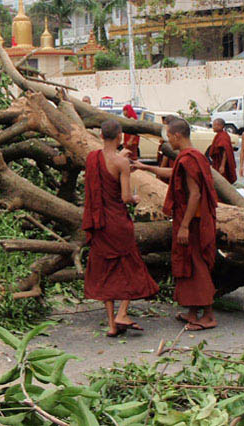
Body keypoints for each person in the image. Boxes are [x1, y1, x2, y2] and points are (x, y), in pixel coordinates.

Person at [135, 118, 218, 331]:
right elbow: (174, 175)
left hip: (194, 222)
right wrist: (145, 167)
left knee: (197, 266)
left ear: (177, 136)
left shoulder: (190, 159)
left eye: (169, 136)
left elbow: (195, 194)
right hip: (191, 219)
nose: (168, 141)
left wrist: (184, 226)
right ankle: (192, 312)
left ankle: (208, 316)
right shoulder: (192, 156)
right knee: (187, 264)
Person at [82, 119, 158, 337]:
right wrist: (135, 198)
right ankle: (122, 313)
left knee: (106, 271)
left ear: (102, 136)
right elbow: (125, 197)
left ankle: (112, 325)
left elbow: (102, 174)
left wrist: (120, 158)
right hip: (117, 222)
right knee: (129, 267)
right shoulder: (121, 164)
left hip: (99, 222)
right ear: (119, 137)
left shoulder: (92, 158)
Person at [206, 118, 237, 184]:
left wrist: (222, 166)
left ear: (219, 126)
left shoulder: (223, 136)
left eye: (214, 125)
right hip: (218, 162)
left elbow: (225, 151)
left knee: (222, 181)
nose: (213, 127)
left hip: (222, 163)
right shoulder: (220, 135)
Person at [156, 115, 179, 184]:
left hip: (168, 170)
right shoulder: (167, 135)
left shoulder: (172, 137)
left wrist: (159, 173)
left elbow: (165, 157)